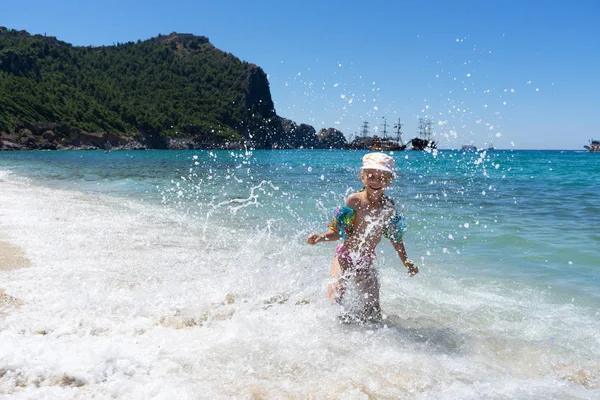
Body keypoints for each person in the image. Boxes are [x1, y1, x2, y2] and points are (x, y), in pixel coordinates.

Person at [307, 152, 418, 321]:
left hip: (366, 259)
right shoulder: (354, 201)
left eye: (382, 177)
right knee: (333, 300)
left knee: (373, 312)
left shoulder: (389, 207)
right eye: (371, 176)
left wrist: (406, 261)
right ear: (362, 177)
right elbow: (338, 231)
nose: (375, 181)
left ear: (390, 180)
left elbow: (395, 237)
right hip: (344, 256)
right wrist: (321, 237)